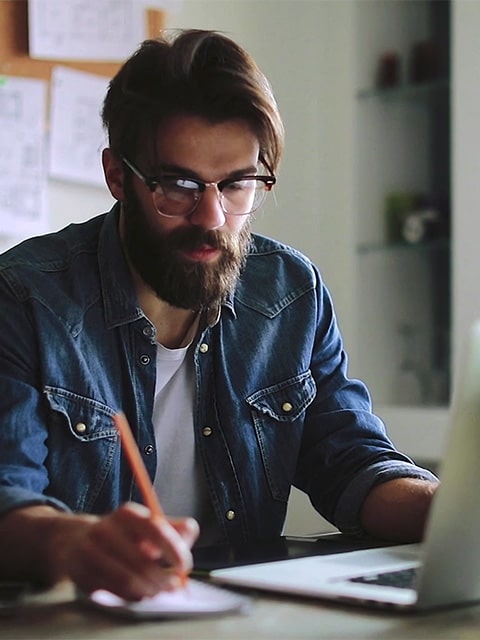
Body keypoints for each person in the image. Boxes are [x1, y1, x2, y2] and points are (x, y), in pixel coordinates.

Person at [0, 29, 438, 601]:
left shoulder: (288, 294)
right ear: (117, 177)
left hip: (243, 618)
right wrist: (71, 544)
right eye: (177, 186)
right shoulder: (25, 299)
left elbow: (349, 459)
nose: (212, 216)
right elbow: (7, 496)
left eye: (238, 184)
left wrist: (448, 514)